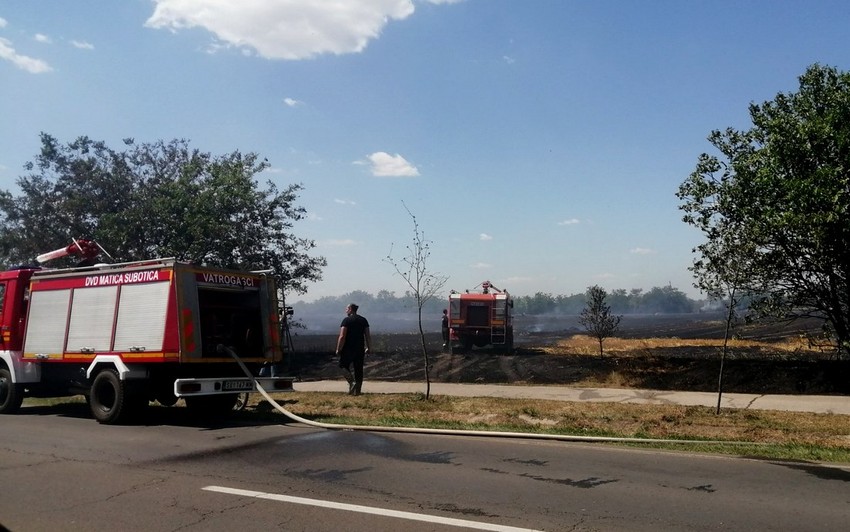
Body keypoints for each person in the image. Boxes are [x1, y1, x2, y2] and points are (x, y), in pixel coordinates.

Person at [335, 303, 371, 395]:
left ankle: (352, 382)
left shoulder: (346, 321)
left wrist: (339, 349)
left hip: (348, 349)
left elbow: (342, 336)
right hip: (359, 349)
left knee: (342, 365)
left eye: (347, 308)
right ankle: (357, 391)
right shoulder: (363, 320)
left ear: (350, 309)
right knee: (358, 369)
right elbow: (367, 335)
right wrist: (369, 347)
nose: (346, 310)